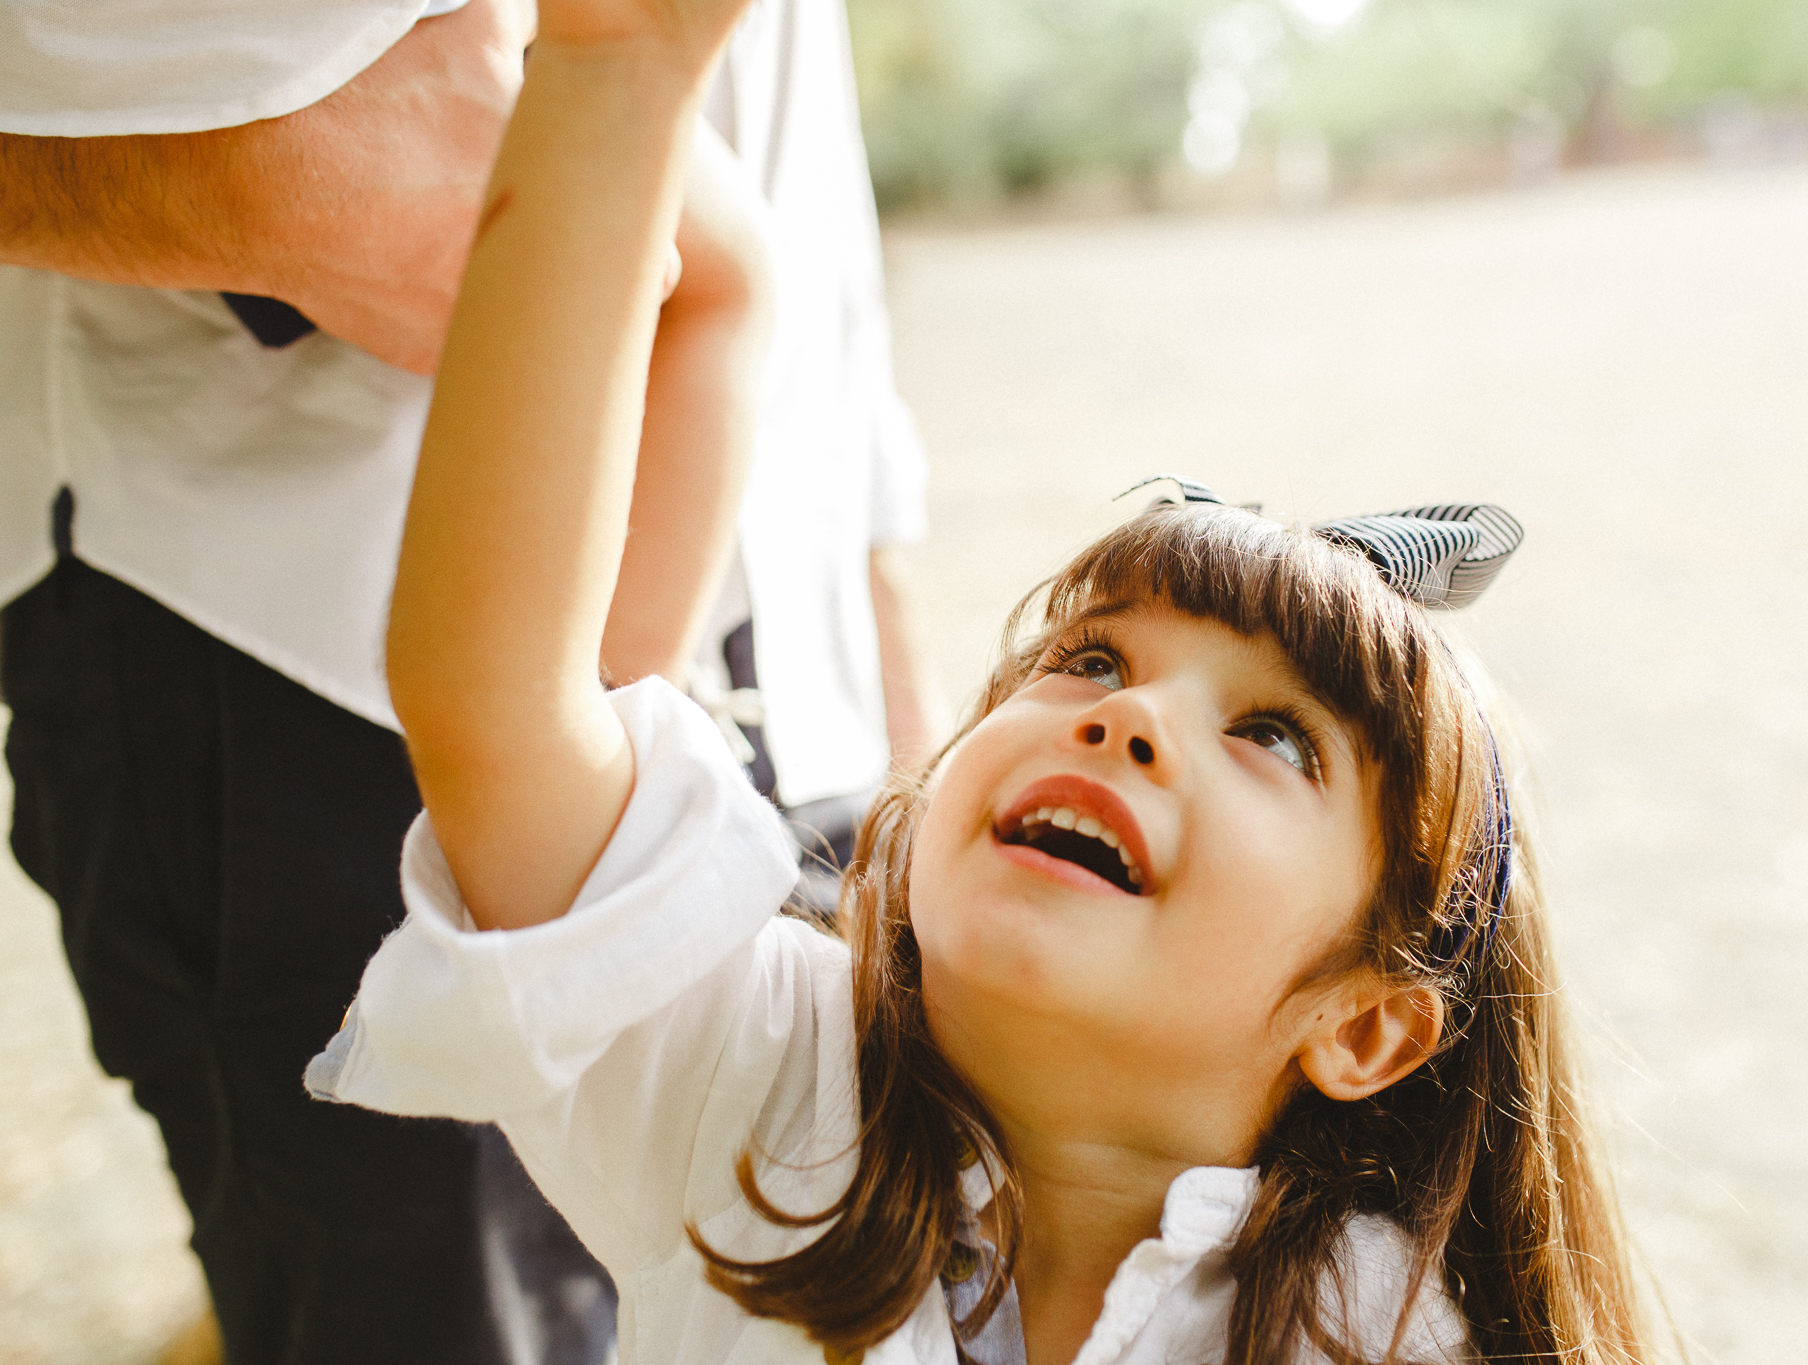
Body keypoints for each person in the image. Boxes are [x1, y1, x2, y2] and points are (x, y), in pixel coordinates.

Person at [303, 1, 1647, 1361]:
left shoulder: (1377, 1334)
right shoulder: (756, 1082)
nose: (1127, 716)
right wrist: (617, 67)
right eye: (1089, 657)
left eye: (1273, 735)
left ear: (1363, 1024)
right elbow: (498, 703)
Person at [0, 0, 933, 1360]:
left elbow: (784, 157)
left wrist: (875, 624)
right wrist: (209, 185)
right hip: (299, 641)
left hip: (765, 649)